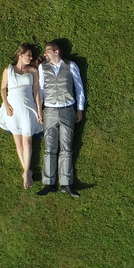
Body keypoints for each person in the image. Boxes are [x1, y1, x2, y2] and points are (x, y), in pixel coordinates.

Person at [36, 39, 85, 197]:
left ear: (56, 52)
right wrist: (40, 111)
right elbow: (41, 90)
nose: (45, 54)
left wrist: (80, 109)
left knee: (66, 148)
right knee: (49, 148)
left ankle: (66, 183)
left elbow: (79, 88)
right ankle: (49, 184)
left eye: (48, 51)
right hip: (49, 110)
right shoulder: (42, 67)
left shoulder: (71, 66)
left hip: (67, 110)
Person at [0, 43, 44, 189]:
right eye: (28, 55)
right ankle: (27, 172)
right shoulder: (8, 70)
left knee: (28, 142)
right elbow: (2, 88)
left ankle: (26, 172)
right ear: (21, 55)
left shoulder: (33, 71)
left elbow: (36, 91)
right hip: (12, 110)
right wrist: (6, 104)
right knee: (18, 143)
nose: (30, 58)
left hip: (28, 109)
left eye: (31, 55)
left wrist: (39, 110)